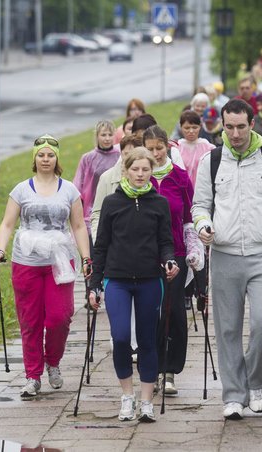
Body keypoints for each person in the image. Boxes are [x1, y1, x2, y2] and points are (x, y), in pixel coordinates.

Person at [191, 99, 262, 420]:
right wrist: (203, 226)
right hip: (223, 255)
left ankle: (255, 383)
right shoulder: (211, 161)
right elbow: (199, 206)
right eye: (229, 127)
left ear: (252, 124)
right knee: (228, 329)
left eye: (240, 126)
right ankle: (234, 395)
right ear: (222, 125)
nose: (234, 133)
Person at [0, 134, 91, 399]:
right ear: (34, 158)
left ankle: (52, 361)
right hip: (27, 262)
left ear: (57, 159)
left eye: (50, 155)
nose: (45, 159)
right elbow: (8, 224)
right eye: (41, 155)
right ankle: (32, 376)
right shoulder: (21, 190)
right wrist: (0, 250)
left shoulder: (69, 190)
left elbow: (78, 226)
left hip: (59, 262)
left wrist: (86, 257)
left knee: (60, 317)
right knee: (30, 321)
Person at [88, 146, 179, 423]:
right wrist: (95, 285)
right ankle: (127, 397)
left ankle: (147, 401)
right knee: (121, 339)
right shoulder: (113, 204)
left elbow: (165, 242)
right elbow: (101, 245)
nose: (140, 174)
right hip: (117, 280)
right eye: (135, 169)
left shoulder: (159, 203)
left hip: (150, 281)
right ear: (125, 170)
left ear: (152, 171)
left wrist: (169, 261)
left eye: (145, 169)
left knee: (148, 340)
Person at [142, 125, 203, 395]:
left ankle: (170, 370)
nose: (155, 154)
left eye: (159, 148)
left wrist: (194, 248)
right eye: (150, 149)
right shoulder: (138, 178)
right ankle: (151, 368)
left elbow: (189, 217)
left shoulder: (179, 178)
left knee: (173, 310)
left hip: (176, 252)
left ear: (168, 146)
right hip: (144, 254)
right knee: (149, 312)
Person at [90, 134, 142, 362]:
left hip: (140, 251)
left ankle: (136, 343)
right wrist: (100, 237)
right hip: (113, 249)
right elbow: (97, 213)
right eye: (126, 153)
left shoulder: (146, 178)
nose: (130, 158)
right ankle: (120, 338)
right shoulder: (107, 178)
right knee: (118, 296)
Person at [73, 120, 121, 242]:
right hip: (91, 211)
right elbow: (78, 185)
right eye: (103, 135)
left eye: (110, 135)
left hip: (115, 208)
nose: (107, 138)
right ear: (97, 136)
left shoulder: (119, 156)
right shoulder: (88, 158)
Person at [177, 110, 215, 186]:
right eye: (187, 128)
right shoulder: (177, 147)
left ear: (200, 127)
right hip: (183, 189)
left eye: (194, 127)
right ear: (181, 127)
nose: (191, 131)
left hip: (203, 187)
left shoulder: (208, 147)